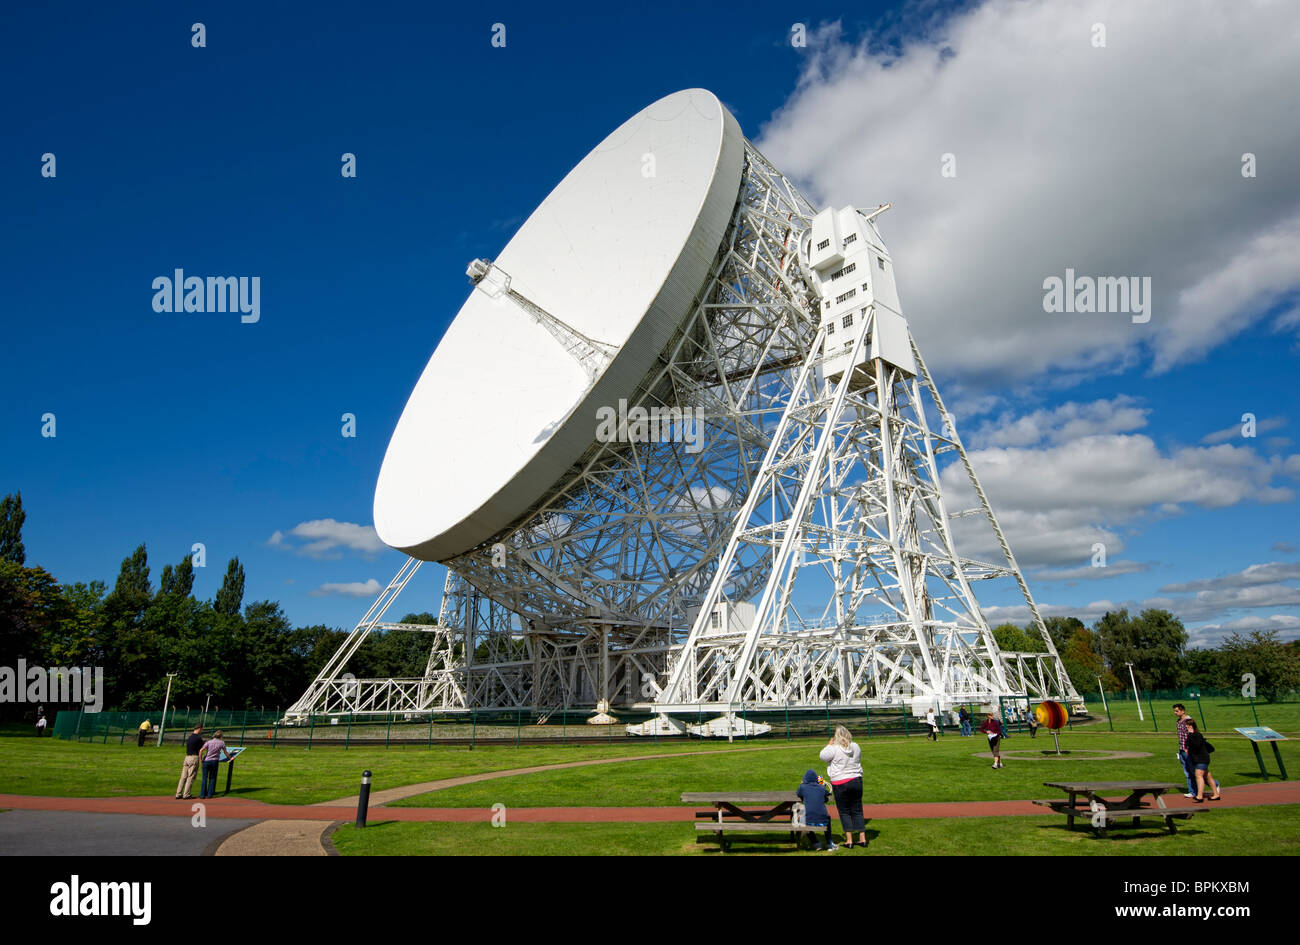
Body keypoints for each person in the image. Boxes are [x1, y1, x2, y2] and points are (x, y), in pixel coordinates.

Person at [819, 725, 867, 849]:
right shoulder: (856, 746)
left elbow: (822, 756)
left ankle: (849, 840)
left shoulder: (834, 748)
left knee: (844, 811)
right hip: (856, 780)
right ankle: (862, 838)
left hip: (840, 782)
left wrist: (829, 745)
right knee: (857, 809)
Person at [796, 769, 836, 851]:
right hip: (823, 819)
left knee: (801, 821)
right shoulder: (821, 788)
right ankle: (829, 842)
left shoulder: (803, 787)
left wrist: (802, 784)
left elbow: (798, 793)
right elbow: (826, 794)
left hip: (808, 818)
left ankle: (816, 843)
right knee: (827, 817)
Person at [1183, 720, 1221, 803]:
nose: (1185, 727)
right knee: (1208, 776)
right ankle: (1216, 795)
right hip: (1197, 759)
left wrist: (1191, 735)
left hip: (1201, 758)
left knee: (1198, 775)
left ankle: (1199, 796)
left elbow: (1196, 745)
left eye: (1186, 725)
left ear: (1191, 726)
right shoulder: (1191, 735)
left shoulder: (1197, 735)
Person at [1173, 704, 1197, 798]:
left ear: (1183, 711)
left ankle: (1214, 784)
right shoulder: (1178, 721)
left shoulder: (1188, 721)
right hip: (1182, 750)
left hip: (1189, 750)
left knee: (1195, 772)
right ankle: (1192, 791)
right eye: (1174, 711)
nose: (1175, 713)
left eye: (1177, 711)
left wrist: (1189, 748)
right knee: (1187, 771)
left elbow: (1192, 735)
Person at [176, 724, 204, 800]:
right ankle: (186, 794)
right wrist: (201, 759)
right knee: (190, 777)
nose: (202, 731)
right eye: (201, 729)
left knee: (183, 776)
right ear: (199, 729)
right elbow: (201, 749)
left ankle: (178, 793)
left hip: (187, 757)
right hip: (194, 757)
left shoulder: (190, 737)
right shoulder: (198, 738)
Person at [199, 729, 229, 799]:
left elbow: (201, 750)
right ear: (221, 736)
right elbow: (225, 752)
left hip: (206, 761)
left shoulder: (209, 742)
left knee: (204, 778)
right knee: (212, 778)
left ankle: (202, 795)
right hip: (214, 761)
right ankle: (210, 794)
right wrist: (230, 758)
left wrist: (201, 760)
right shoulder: (222, 743)